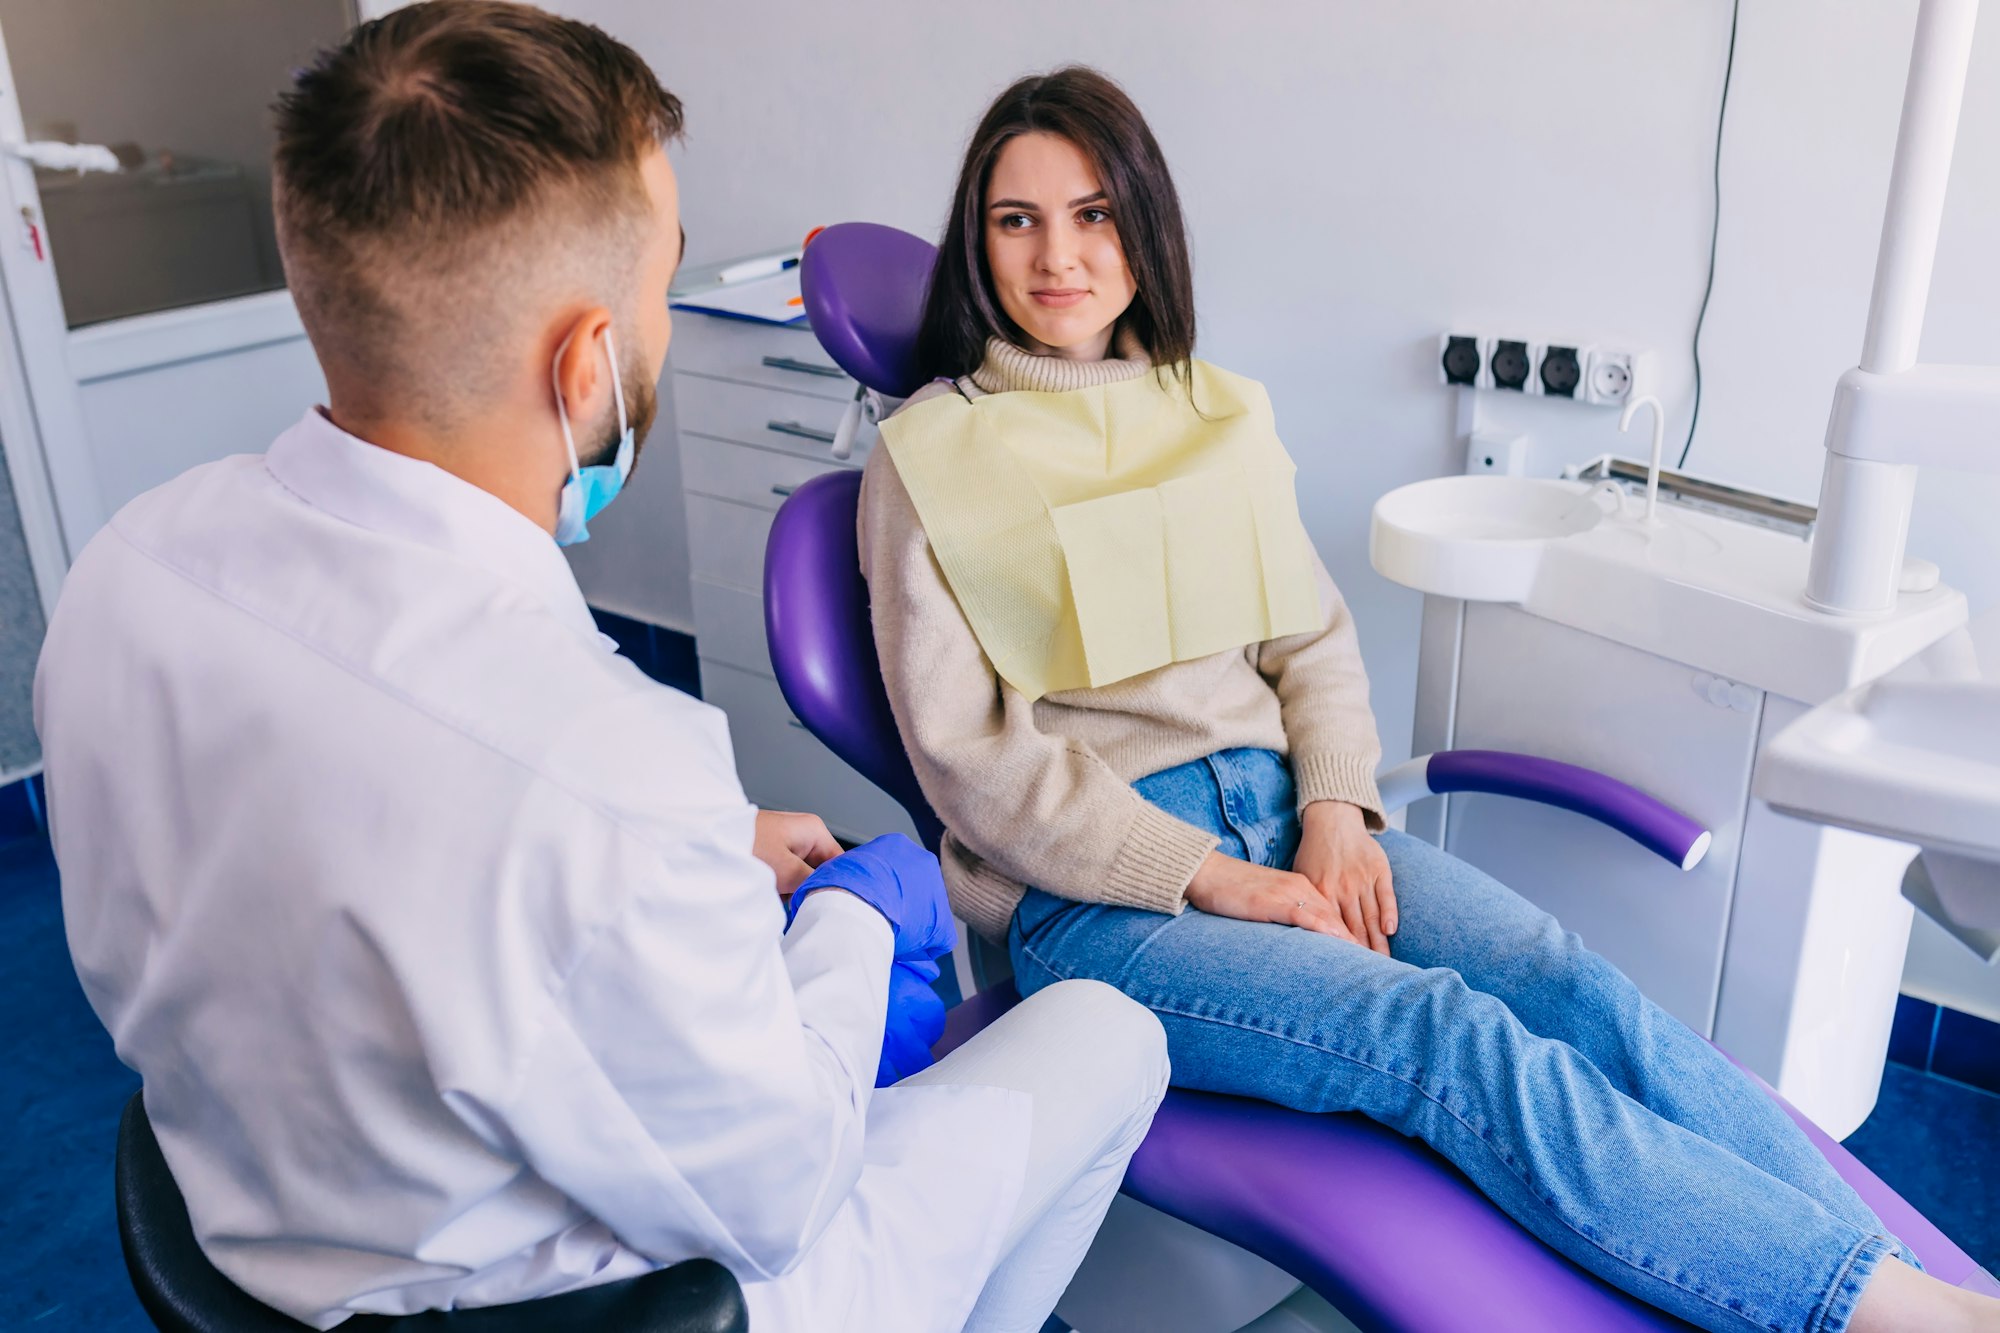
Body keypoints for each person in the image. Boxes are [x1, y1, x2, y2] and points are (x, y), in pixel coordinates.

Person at [34, 10, 1167, 1332]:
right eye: (659, 289)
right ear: (584, 366)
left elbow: (366, 818)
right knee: (1106, 1037)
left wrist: (705, 847)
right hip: (618, 1305)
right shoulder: (603, 763)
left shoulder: (129, 572)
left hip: (248, 1241)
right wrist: (859, 913)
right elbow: (783, 1186)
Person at [858, 65, 2000, 1333]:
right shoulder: (927, 457)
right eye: (1015, 219)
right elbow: (971, 762)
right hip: (1102, 899)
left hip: (1295, 817)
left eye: (1090, 213)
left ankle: (1893, 1281)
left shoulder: (1212, 412)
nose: (1056, 255)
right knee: (1441, 1035)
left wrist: (1336, 812)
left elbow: (1315, 645)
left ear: (1142, 226)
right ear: (977, 241)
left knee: (1572, 986)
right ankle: (1889, 1317)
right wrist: (1214, 875)